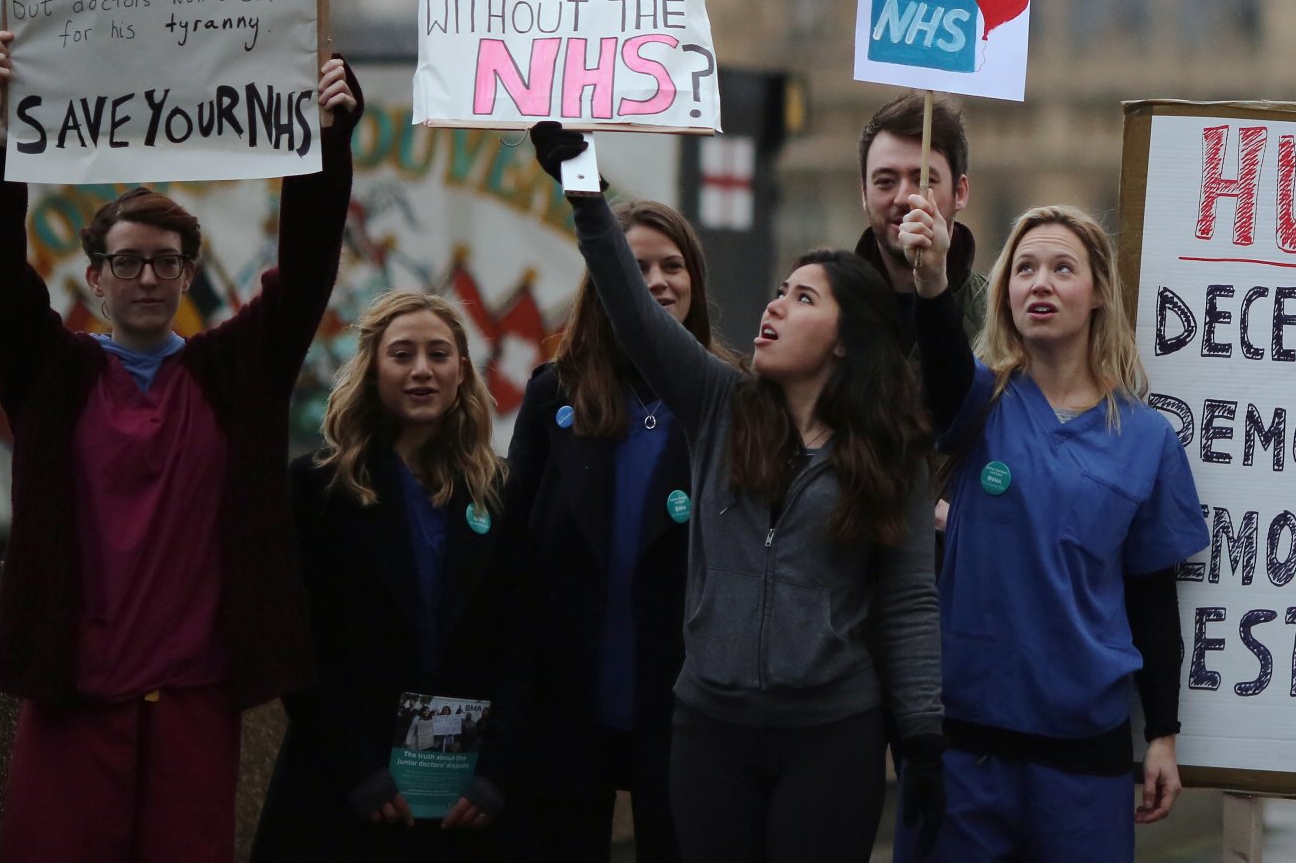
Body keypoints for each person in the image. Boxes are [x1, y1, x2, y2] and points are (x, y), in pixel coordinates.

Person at [0, 29, 358, 863]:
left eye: (166, 263)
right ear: (93, 277)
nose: (148, 279)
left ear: (189, 277)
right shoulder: (49, 374)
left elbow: (310, 264)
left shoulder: (235, 372)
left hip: (193, 699)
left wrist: (326, 138)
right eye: (129, 262)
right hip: (74, 694)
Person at [528, 122, 942, 863]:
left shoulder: (891, 452)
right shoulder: (718, 404)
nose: (775, 306)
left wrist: (922, 735)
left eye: (803, 297)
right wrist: (585, 190)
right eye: (778, 291)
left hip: (832, 735)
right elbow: (632, 308)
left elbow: (909, 601)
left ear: (845, 339)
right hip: (708, 729)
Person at [901, 201, 1211, 862]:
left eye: (1061, 268)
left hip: (1084, 761)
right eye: (1024, 268)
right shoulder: (979, 402)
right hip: (965, 749)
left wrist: (1162, 732)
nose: (1038, 283)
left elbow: (1153, 597)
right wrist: (931, 282)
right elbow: (942, 359)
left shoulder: (1147, 438)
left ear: (1097, 292)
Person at [253, 291, 517, 860]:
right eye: (402, 354)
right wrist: (360, 768)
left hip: (462, 800)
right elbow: (300, 644)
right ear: (372, 368)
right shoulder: (318, 488)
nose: (422, 370)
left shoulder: (502, 492)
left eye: (438, 354)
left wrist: (496, 773)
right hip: (343, 789)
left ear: (462, 370)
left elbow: (526, 644)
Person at [495, 200, 720, 863]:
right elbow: (515, 554)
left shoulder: (728, 399)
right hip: (568, 707)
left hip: (684, 711)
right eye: (636, 264)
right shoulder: (551, 395)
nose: (656, 280)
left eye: (673, 265)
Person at [857, 92, 990, 345]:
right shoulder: (831, 309)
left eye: (923, 181)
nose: (904, 197)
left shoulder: (1003, 315)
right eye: (885, 182)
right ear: (864, 194)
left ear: (959, 193)